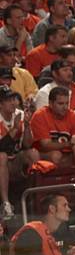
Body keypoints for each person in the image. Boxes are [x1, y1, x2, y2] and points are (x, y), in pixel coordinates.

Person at [9, 194, 75, 255]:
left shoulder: (58, 234)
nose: (69, 209)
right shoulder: (30, 234)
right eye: (64, 205)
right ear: (52, 209)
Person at [0, 86, 38, 219]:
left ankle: (35, 197)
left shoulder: (20, 114)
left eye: (13, 99)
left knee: (33, 153)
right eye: (7, 100)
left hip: (15, 159)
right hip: (2, 161)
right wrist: (16, 128)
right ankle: (6, 204)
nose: (12, 102)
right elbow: (1, 146)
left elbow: (27, 144)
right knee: (2, 156)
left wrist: (27, 126)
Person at [30, 86, 75, 168]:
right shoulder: (40, 116)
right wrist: (69, 144)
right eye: (60, 104)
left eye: (67, 103)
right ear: (51, 104)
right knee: (56, 155)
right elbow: (46, 145)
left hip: (68, 152)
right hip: (44, 153)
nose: (65, 107)